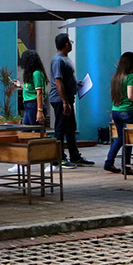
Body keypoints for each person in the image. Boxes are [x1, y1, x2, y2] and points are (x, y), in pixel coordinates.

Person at [47, 33, 95, 169]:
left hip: (68, 98)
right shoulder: (58, 60)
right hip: (60, 99)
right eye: (70, 42)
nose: (71, 44)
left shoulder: (65, 59)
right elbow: (58, 81)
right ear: (66, 44)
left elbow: (65, 79)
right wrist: (64, 102)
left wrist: (76, 83)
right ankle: (59, 158)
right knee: (60, 128)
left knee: (71, 127)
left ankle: (75, 156)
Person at [17, 49, 47, 126]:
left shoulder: (37, 74)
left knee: (37, 129)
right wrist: (20, 85)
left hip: (34, 105)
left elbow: (39, 93)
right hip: (28, 105)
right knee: (25, 129)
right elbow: (31, 89)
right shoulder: (31, 74)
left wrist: (39, 111)